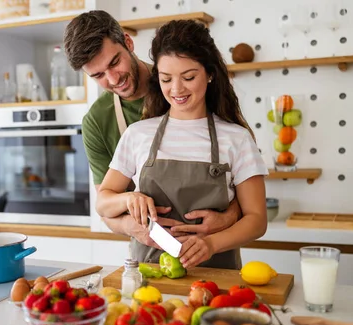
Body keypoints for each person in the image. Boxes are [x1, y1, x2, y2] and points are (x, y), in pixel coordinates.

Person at [63, 10, 242, 261]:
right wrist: (132, 227)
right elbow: (106, 206)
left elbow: (241, 182)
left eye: (114, 63)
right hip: (151, 255)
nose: (113, 79)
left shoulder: (184, 85)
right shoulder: (97, 120)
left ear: (128, 42)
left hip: (213, 250)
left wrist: (229, 217)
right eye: (98, 75)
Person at [95, 19, 268, 269]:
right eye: (166, 79)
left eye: (188, 77)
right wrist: (128, 199)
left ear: (209, 74)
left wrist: (212, 244)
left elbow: (257, 220)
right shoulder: (137, 134)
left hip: (217, 281)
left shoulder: (236, 138)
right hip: (149, 279)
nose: (176, 89)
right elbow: (103, 202)